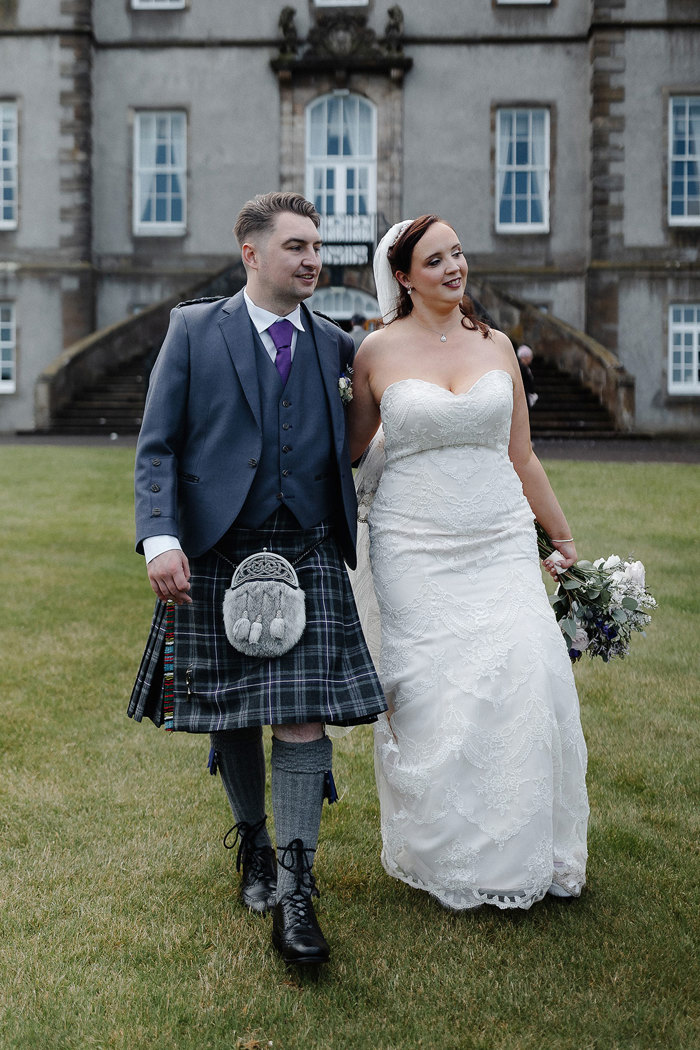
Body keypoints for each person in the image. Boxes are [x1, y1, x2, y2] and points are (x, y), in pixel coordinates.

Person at [128, 191, 386, 965]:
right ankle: (255, 843)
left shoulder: (341, 347)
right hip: (214, 548)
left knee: (301, 715)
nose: (313, 259)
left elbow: (362, 443)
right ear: (251, 254)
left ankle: (296, 887)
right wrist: (159, 538)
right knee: (233, 715)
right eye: (296, 247)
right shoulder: (194, 329)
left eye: (316, 248)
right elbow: (158, 446)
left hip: (305, 548)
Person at [347, 215, 589, 911]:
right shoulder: (376, 353)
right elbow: (352, 453)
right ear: (403, 277)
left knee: (524, 670)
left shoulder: (498, 347)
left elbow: (523, 455)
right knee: (435, 693)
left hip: (497, 537)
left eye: (457, 254)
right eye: (435, 260)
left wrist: (561, 536)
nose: (454, 268)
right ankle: (447, 851)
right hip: (413, 546)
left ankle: (525, 855)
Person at [517, 344, 538, 410]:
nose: (531, 358)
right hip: (523, 396)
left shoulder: (522, 367)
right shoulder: (523, 368)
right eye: (530, 356)